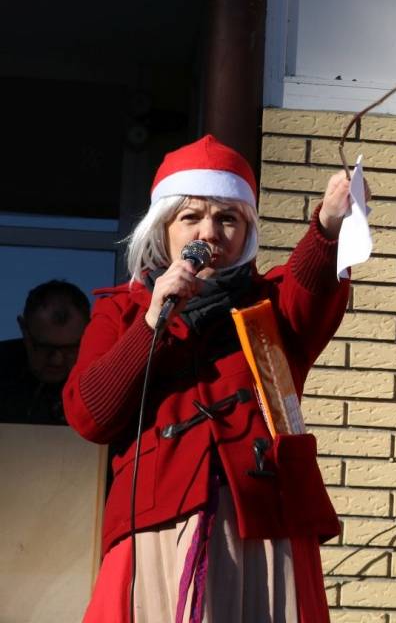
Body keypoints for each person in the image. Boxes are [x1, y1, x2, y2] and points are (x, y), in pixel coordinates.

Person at [64, 134, 354, 622]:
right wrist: (153, 322)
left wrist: (327, 226)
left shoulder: (271, 304)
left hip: (266, 524)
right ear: (163, 229)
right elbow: (90, 416)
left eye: (227, 218)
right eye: (191, 217)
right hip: (158, 523)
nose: (210, 232)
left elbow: (313, 287)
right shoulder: (122, 310)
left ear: (246, 232)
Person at [0, 280, 89, 424]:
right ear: (24, 330)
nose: (56, 360)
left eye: (71, 348)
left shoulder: (102, 379)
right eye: (44, 347)